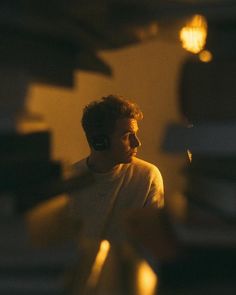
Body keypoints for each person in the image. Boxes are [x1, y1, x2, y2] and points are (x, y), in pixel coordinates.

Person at [69, 95, 164, 242]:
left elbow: (154, 240)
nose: (136, 143)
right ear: (100, 141)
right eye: (126, 136)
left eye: (135, 134)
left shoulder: (147, 176)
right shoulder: (70, 181)